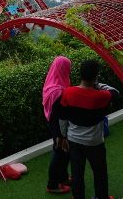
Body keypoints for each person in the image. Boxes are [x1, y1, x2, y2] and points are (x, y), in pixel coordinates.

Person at [59, 60, 118, 199]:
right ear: (96, 76)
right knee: (100, 172)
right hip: (94, 143)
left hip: (73, 140)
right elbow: (115, 92)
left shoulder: (68, 92)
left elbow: (62, 119)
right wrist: (98, 84)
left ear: (80, 74)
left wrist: (64, 137)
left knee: (77, 174)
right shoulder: (100, 96)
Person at [42, 56, 72, 194]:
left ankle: (63, 178)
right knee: (59, 153)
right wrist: (62, 135)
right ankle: (52, 184)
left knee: (64, 153)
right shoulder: (58, 91)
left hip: (55, 125)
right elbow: (60, 115)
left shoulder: (51, 84)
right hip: (59, 127)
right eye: (68, 68)